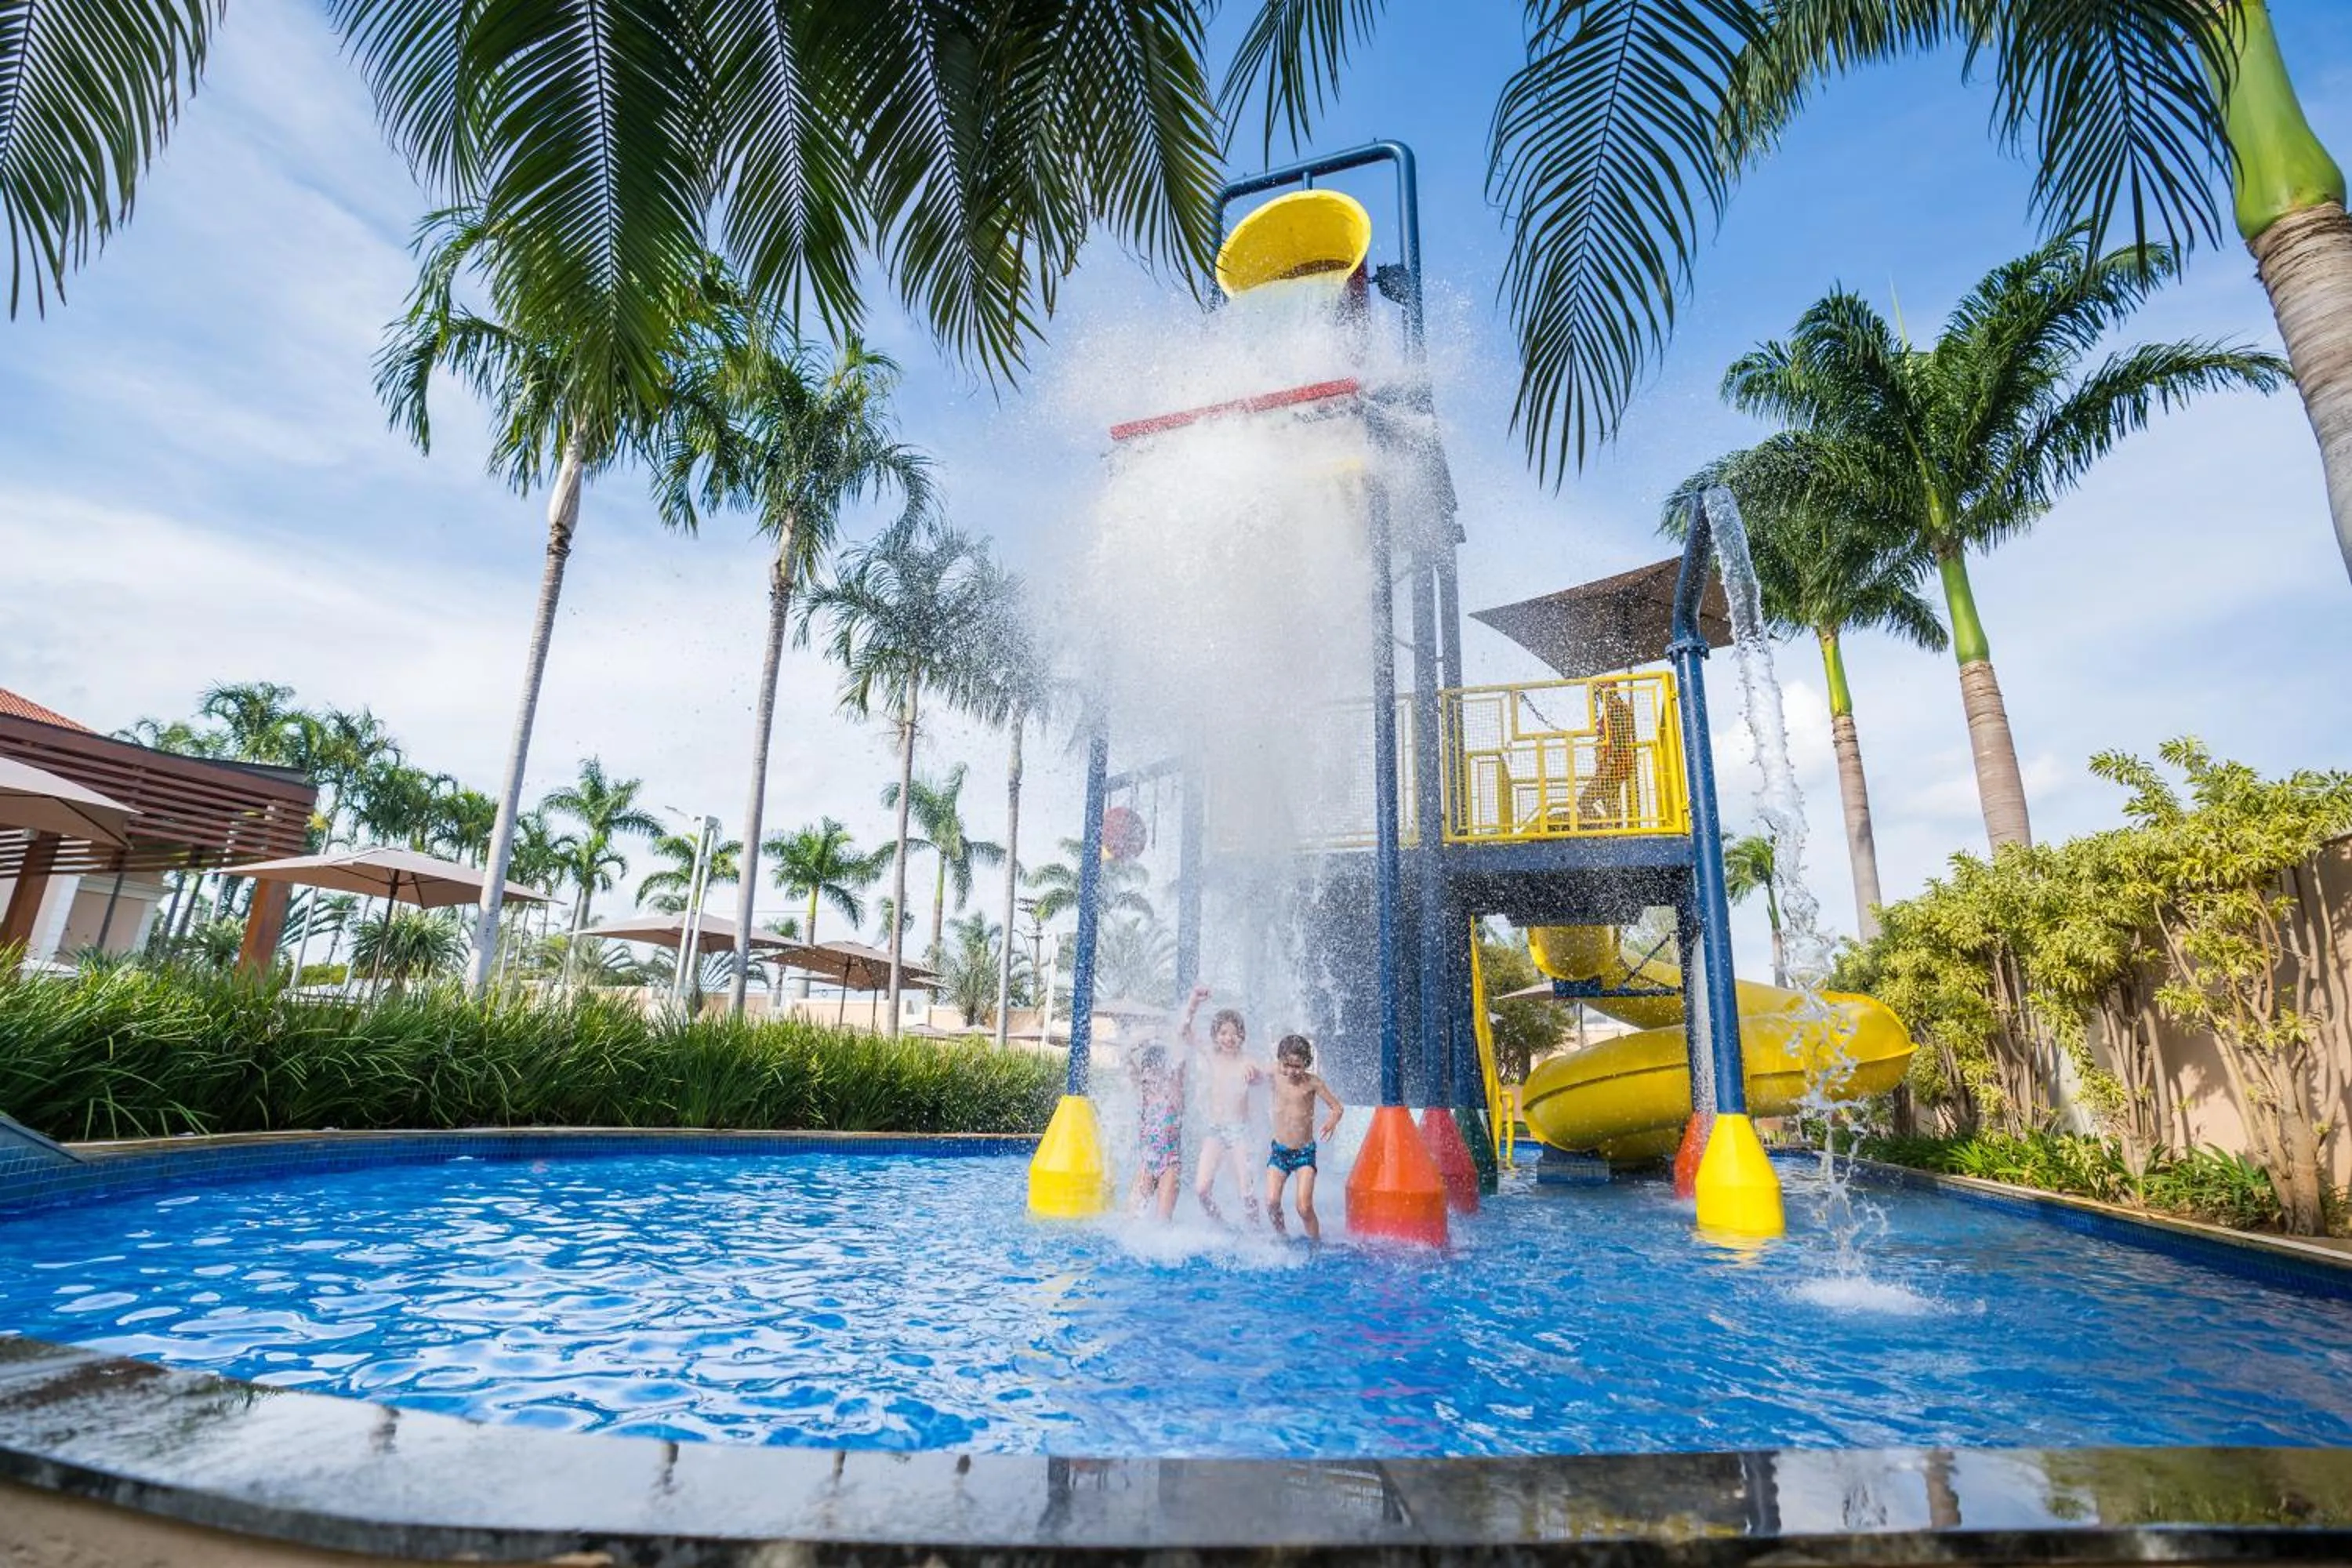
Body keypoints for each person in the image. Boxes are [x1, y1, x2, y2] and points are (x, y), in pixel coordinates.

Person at [1181, 983, 1264, 1225]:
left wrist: (1257, 1077)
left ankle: (1256, 1233)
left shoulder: (1247, 1061)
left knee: (1246, 1191)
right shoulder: (1211, 1055)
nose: (1229, 1038)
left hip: (1239, 1132)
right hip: (1215, 1131)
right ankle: (1221, 1225)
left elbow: (1267, 1075)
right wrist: (1194, 1002)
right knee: (1201, 1189)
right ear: (1216, 1036)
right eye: (1223, 1033)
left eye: (1234, 1033)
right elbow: (1185, 1030)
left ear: (1242, 1036)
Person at [1263, 1034, 1344, 1240]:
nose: (1291, 1071)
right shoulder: (1274, 1073)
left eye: (1297, 1066)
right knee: (1271, 1202)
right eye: (1287, 1065)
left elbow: (1337, 1107)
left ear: (1307, 1063)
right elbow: (1254, 1072)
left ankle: (1315, 1245)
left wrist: (1332, 1121)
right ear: (1280, 1060)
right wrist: (1249, 1072)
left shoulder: (1313, 1083)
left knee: (1304, 1207)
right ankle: (1283, 1238)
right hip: (1279, 1151)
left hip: (1304, 1153)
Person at [1127, 1037, 1185, 1221]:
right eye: (1148, 1069)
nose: (1151, 1075)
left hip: (1170, 1164)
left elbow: (1182, 1062)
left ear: (1166, 1071)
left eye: (1156, 1069)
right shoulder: (1144, 1093)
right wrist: (1138, 1045)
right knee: (1131, 1219)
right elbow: (1125, 1059)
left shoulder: (1174, 1094)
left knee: (1162, 1222)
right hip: (1147, 1162)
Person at [1577, 677, 1639, 827]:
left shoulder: (1616, 709)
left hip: (1613, 767)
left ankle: (1602, 830)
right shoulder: (1614, 708)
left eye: (1599, 693)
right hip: (1614, 766)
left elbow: (1619, 739)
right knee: (1610, 801)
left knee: (1585, 800)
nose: (1598, 697)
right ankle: (1614, 832)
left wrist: (1609, 766)